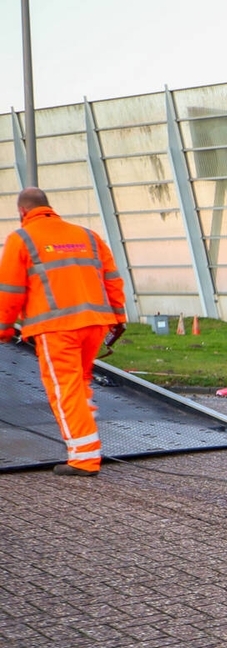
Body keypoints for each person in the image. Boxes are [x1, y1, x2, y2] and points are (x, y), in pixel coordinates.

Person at [0, 187, 126, 476]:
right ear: (49, 207)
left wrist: (4, 328)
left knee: (64, 389)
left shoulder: (21, 239)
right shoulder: (87, 236)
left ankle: (84, 457)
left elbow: (9, 290)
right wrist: (117, 317)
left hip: (56, 328)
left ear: (22, 212)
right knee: (79, 385)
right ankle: (88, 443)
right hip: (94, 323)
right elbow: (112, 279)